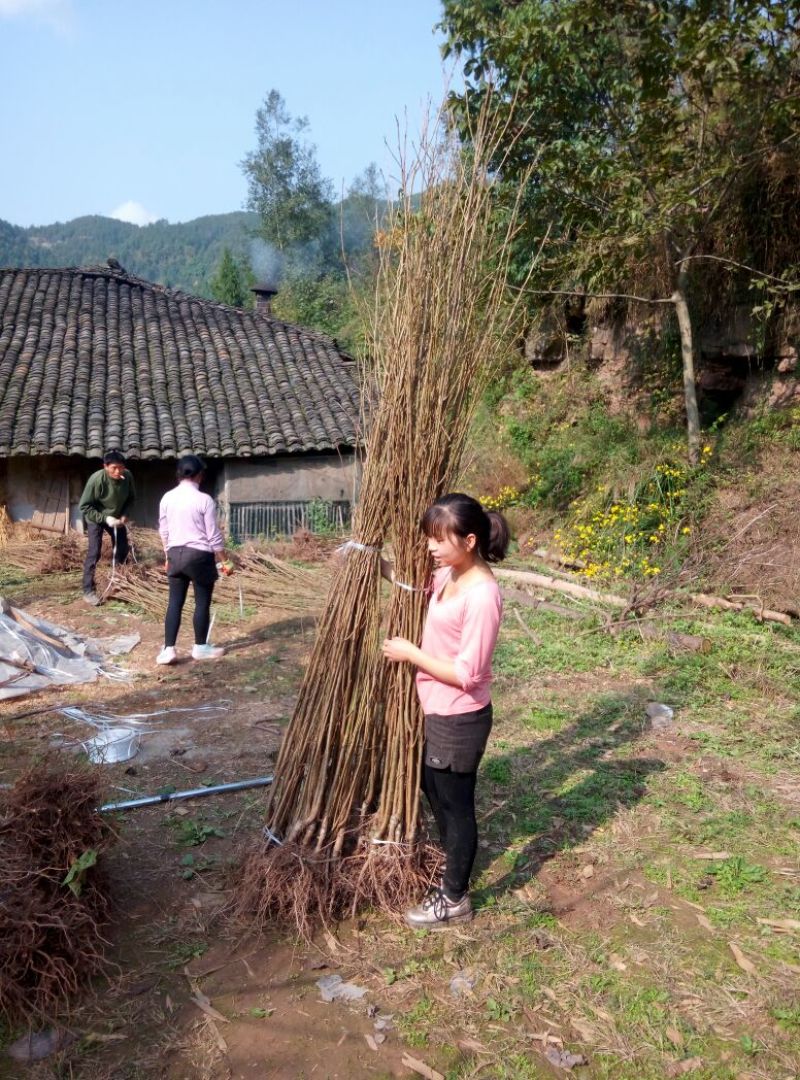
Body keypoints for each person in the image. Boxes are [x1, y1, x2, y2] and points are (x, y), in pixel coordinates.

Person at [382, 492, 509, 930]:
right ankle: (452, 862)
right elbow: (414, 585)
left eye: (439, 539)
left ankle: (454, 898)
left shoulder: (483, 595)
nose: (431, 548)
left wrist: (411, 653)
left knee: (457, 807)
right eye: (429, 538)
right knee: (433, 790)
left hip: (460, 715)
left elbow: (468, 674)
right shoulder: (448, 574)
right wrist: (366, 562)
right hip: (435, 709)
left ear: (470, 540)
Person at [156, 455, 232, 665]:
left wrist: (167, 555)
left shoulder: (167, 498)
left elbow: (164, 530)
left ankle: (168, 649)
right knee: (202, 602)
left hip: (175, 554)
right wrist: (225, 560)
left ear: (179, 475)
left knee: (174, 603)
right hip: (199, 556)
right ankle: (200, 647)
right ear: (199, 475)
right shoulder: (204, 499)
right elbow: (213, 536)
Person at [79, 450, 135, 605]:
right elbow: (84, 506)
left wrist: (124, 514)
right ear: (105, 466)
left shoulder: (127, 477)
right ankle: (88, 590)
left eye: (121, 468)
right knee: (94, 551)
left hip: (116, 518)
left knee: (122, 547)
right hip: (95, 517)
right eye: (114, 468)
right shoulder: (96, 480)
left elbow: (131, 498)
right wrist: (105, 518)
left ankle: (118, 581)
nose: (118, 471)